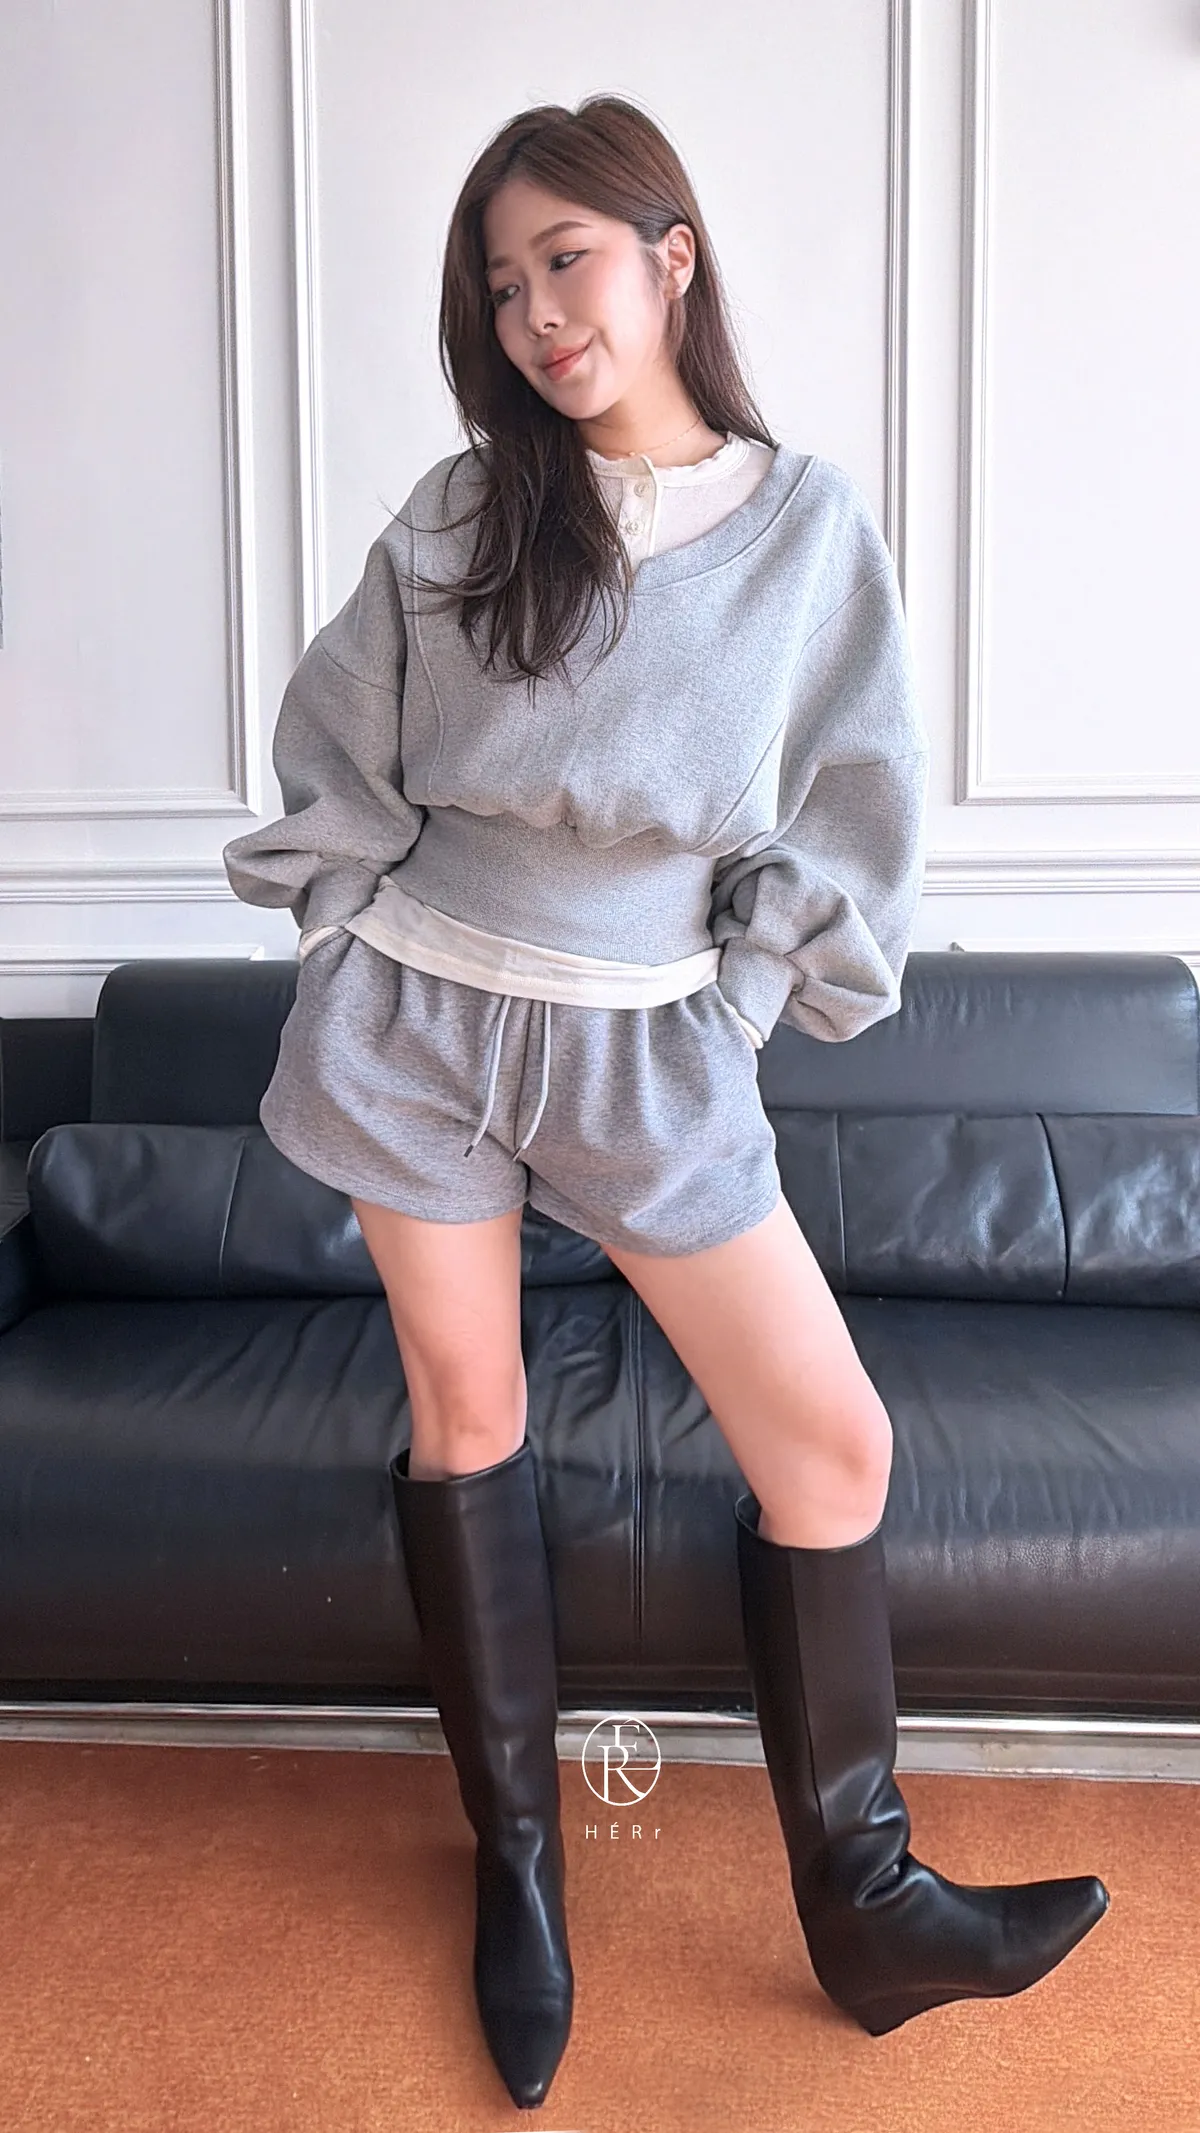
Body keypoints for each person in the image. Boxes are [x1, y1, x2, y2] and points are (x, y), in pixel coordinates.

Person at [223, 93, 1109, 2114]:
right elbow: (337, 745)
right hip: (418, 1022)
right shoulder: (466, 513)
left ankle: (866, 1901)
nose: (538, 313)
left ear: (670, 255)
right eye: (501, 284)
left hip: (653, 1044)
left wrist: (739, 1007)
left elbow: (856, 813)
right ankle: (522, 1865)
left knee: (834, 1445)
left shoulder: (806, 534)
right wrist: (344, 940)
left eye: (569, 260)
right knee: (471, 1421)